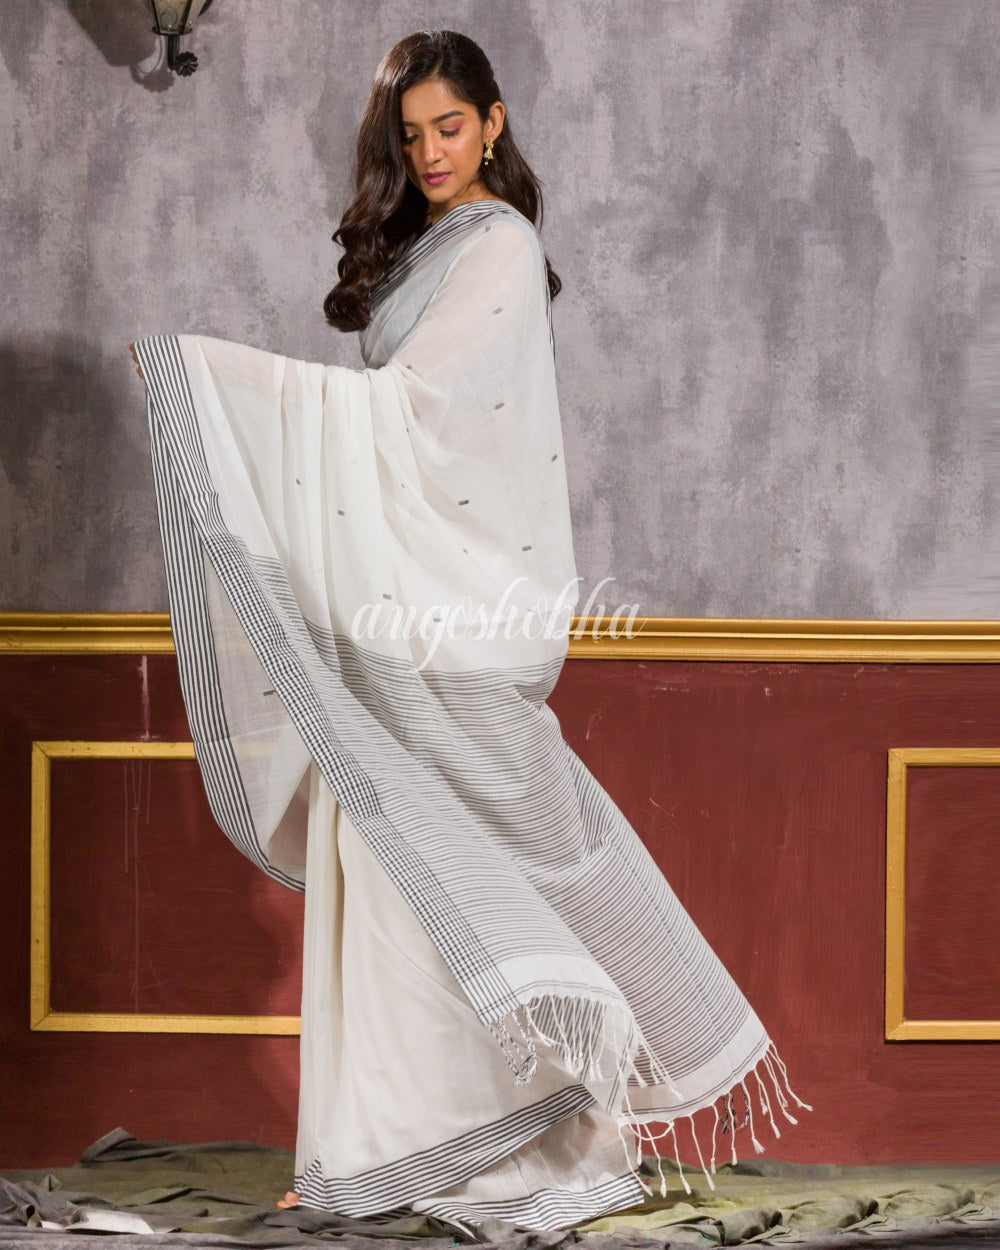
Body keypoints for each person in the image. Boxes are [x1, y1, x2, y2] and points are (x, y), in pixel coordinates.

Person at [128, 28, 811, 1238]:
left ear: (493, 122)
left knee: (447, 873)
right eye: (412, 136)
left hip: (453, 619)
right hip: (397, 615)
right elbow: (391, 432)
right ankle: (385, 1149)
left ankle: (537, 1142)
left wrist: (209, 375)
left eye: (451, 127)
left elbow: (412, 420)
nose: (433, 152)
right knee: (391, 878)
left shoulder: (498, 243)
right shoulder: (428, 251)